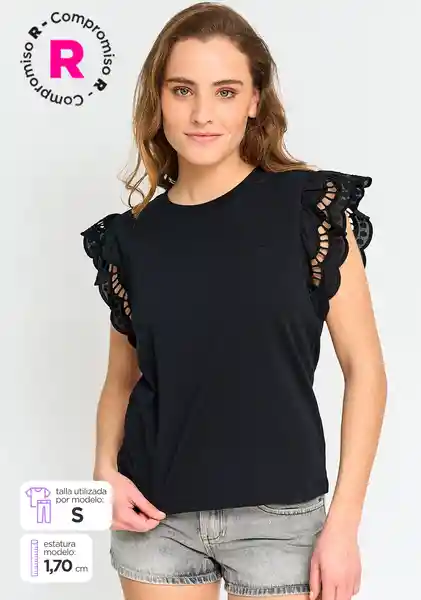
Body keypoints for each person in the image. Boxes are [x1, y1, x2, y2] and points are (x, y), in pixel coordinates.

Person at [80, 3, 387, 600]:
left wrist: (344, 525)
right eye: (182, 90)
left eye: (225, 91)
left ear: (254, 100)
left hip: (281, 524)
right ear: (158, 100)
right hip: (155, 521)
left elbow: (366, 369)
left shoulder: (311, 211)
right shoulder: (131, 239)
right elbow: (122, 380)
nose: (202, 114)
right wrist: (104, 473)